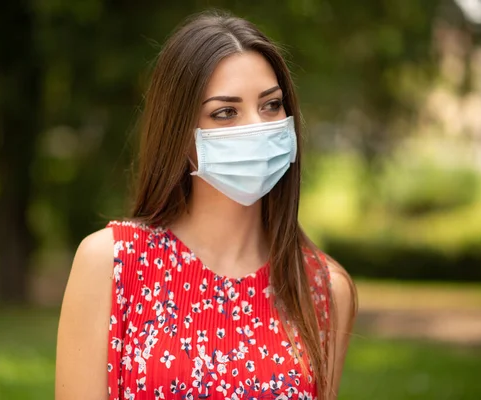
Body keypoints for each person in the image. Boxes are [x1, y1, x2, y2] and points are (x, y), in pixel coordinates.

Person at [56, 10, 357, 400]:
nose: (257, 127)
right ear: (180, 132)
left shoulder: (323, 288)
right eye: (225, 112)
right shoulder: (111, 263)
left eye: (271, 105)